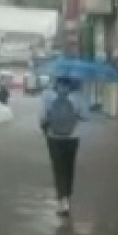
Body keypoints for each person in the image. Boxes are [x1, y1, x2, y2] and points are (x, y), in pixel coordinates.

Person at [40, 77, 88, 216]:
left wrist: (46, 125)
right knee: (69, 168)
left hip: (54, 137)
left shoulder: (47, 95)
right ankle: (67, 197)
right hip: (72, 137)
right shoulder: (78, 96)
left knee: (58, 168)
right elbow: (86, 116)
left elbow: (42, 117)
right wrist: (75, 115)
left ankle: (62, 201)